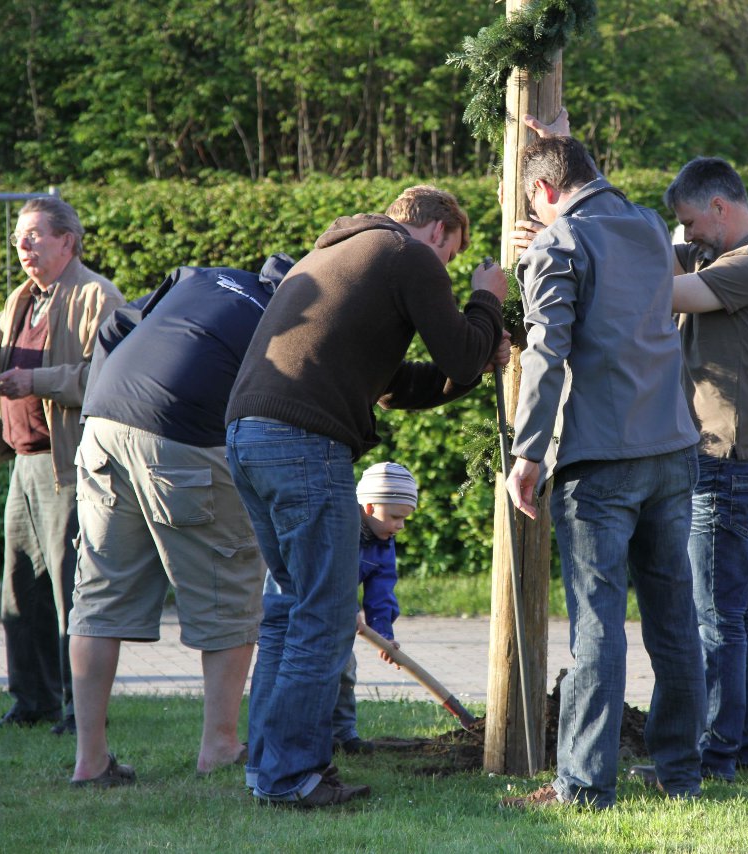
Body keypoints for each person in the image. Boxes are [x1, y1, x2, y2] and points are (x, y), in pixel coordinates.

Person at [225, 185, 506, 808]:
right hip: (304, 441)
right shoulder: (407, 255)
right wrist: (488, 296)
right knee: (322, 617)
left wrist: (474, 362)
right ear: (437, 233)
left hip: (249, 433)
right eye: (452, 257)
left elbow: (394, 385)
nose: (448, 272)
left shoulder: (340, 253)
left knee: (291, 612)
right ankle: (294, 776)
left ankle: (270, 771)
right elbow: (459, 348)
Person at [502, 124, 706, 809]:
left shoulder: (558, 241)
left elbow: (544, 354)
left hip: (600, 460)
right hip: (673, 447)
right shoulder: (650, 226)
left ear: (545, 191)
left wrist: (527, 452)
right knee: (674, 617)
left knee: (598, 626)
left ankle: (584, 786)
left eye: (534, 206)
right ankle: (680, 772)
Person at [66, 255, 293, 787]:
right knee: (229, 589)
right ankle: (219, 745)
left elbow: (115, 324)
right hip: (184, 433)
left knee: (99, 595)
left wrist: (100, 407)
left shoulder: (197, 277)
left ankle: (90, 762)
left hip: (102, 425)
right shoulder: (286, 313)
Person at [0, 197, 123, 734]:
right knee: (21, 587)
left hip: (73, 466)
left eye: (36, 235)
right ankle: (32, 700)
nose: (23, 245)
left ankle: (77, 709)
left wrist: (36, 382)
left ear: (68, 240)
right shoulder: (23, 296)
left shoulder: (98, 296)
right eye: (20, 236)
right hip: (24, 463)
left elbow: (105, 379)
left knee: (72, 591)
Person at [656, 156, 748, 782]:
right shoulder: (729, 257)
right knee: (742, 615)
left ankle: (716, 756)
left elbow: (664, 289)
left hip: (725, 465)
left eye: (689, 223)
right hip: (743, 460)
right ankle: (746, 750)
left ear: (719, 208)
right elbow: (669, 261)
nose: (685, 237)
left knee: (717, 619)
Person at [330, 462, 417, 755]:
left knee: (345, 671)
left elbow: (381, 591)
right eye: (394, 517)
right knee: (323, 671)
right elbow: (333, 571)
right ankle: (317, 735)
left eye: (405, 519)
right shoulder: (340, 528)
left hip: (341, 617)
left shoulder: (384, 543)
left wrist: (384, 634)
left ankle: (344, 735)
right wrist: (346, 605)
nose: (400, 526)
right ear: (368, 507)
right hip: (311, 610)